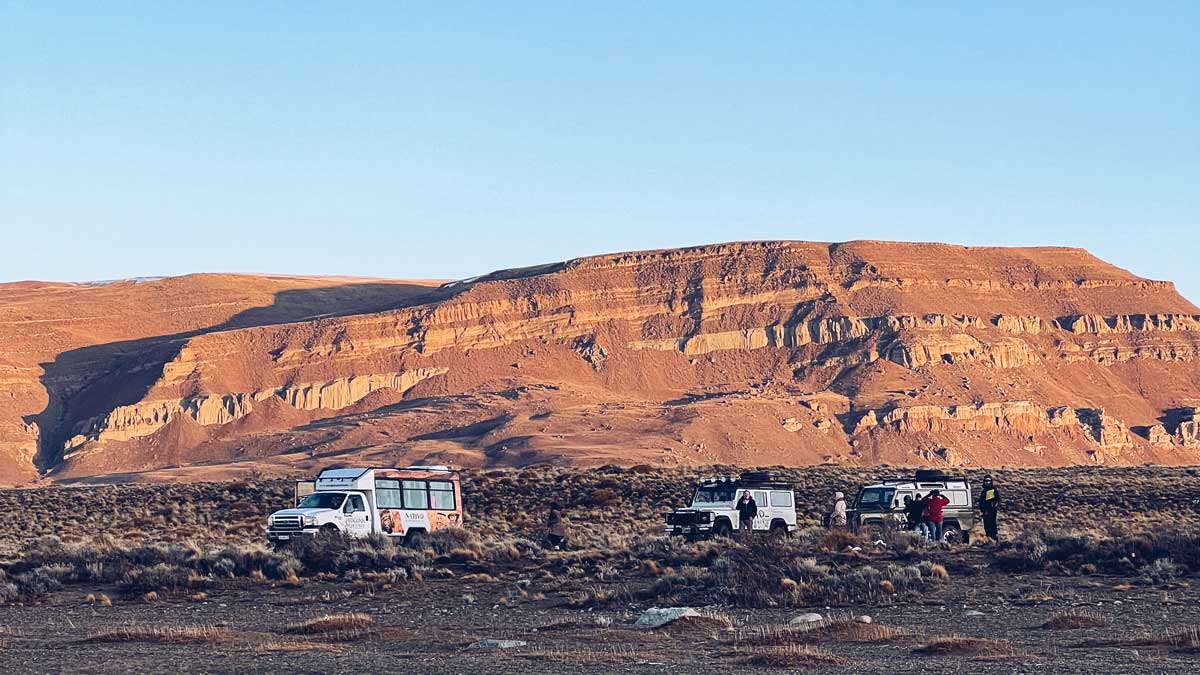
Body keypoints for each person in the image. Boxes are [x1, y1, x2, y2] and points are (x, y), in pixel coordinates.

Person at [979, 475, 1001, 543]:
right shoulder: (983, 491)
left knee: (992, 527)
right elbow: (982, 502)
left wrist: (991, 509)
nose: (987, 482)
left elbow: (992, 501)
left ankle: (994, 540)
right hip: (985, 512)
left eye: (988, 481)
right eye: (986, 481)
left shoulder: (992, 490)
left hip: (990, 512)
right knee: (986, 527)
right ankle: (989, 540)